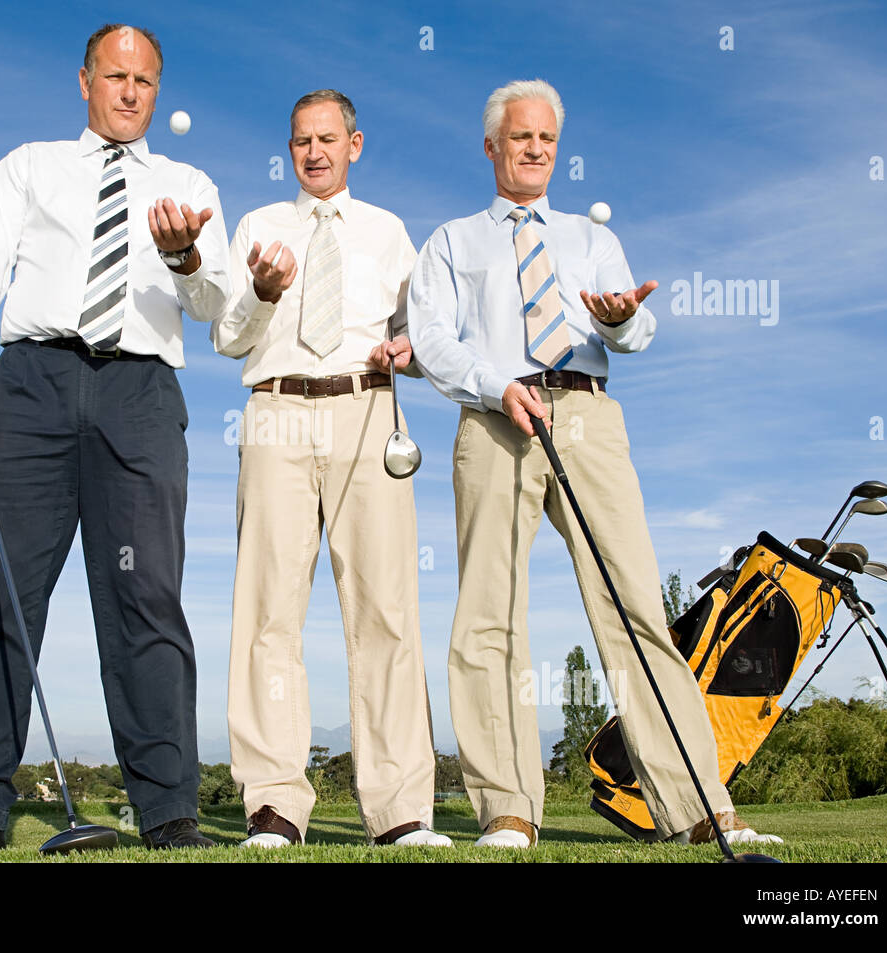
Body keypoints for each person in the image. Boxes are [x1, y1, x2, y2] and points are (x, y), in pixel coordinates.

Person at [407, 78, 781, 849]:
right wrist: (493, 383)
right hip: (492, 417)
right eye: (520, 137)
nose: (535, 148)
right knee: (488, 616)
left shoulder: (590, 236)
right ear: (492, 147)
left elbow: (633, 330)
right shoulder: (451, 241)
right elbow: (434, 341)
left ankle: (701, 807)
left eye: (546, 138)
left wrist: (624, 318)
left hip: (587, 414)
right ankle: (508, 807)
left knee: (635, 606)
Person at [0, 23, 229, 854]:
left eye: (147, 81)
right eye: (116, 76)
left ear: (159, 91)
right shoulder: (30, 166)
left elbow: (214, 307)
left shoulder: (187, 182)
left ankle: (168, 812)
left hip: (142, 394)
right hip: (32, 383)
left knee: (146, 598)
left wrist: (186, 256)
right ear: (84, 80)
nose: (131, 92)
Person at [212, 89, 450, 849]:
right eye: (300, 141)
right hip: (275, 409)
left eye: (327, 138)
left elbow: (421, 335)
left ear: (355, 144)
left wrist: (407, 350)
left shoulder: (386, 231)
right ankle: (274, 804)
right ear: (290, 150)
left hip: (367, 409)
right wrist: (259, 291)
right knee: (267, 612)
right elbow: (225, 334)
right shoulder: (258, 227)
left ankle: (401, 809)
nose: (313, 152)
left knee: (384, 610)